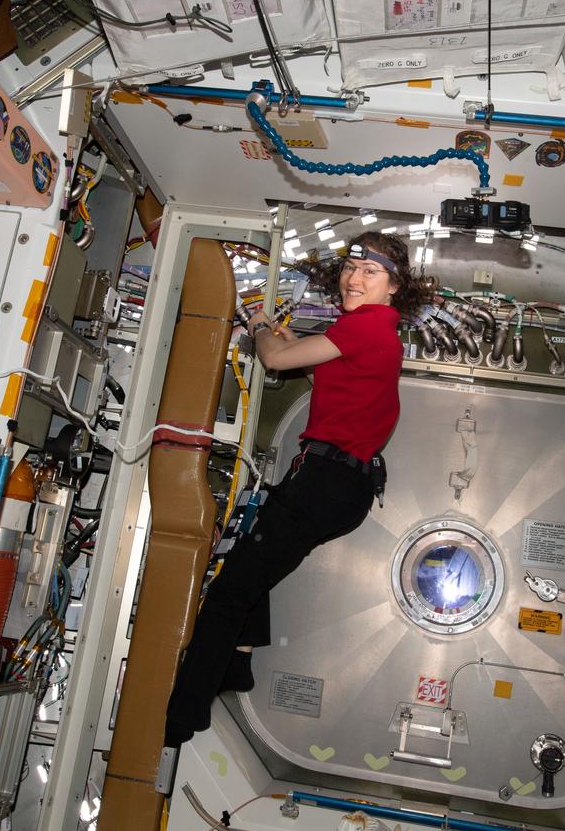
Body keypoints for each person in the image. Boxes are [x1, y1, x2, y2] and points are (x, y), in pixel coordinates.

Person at [163, 231, 430, 748]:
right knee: (256, 560)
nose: (355, 278)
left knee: (227, 593)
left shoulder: (369, 326)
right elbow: (316, 368)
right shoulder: (367, 332)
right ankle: (237, 665)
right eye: (352, 267)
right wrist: (283, 341)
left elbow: (277, 361)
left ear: (393, 287)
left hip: (325, 483)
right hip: (339, 487)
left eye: (370, 272)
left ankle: (177, 721)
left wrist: (261, 325)